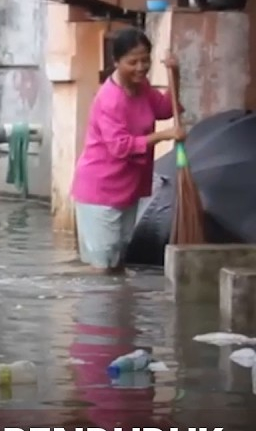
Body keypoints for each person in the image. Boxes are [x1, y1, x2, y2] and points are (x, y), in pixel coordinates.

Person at [71, 28, 184, 272]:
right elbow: (120, 146)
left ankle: (121, 309)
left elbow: (165, 108)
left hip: (128, 186)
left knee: (119, 260)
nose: (141, 67)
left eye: (145, 60)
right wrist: (165, 135)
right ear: (116, 62)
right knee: (102, 267)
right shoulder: (109, 99)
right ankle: (94, 308)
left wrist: (175, 74)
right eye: (133, 62)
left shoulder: (142, 88)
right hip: (101, 189)